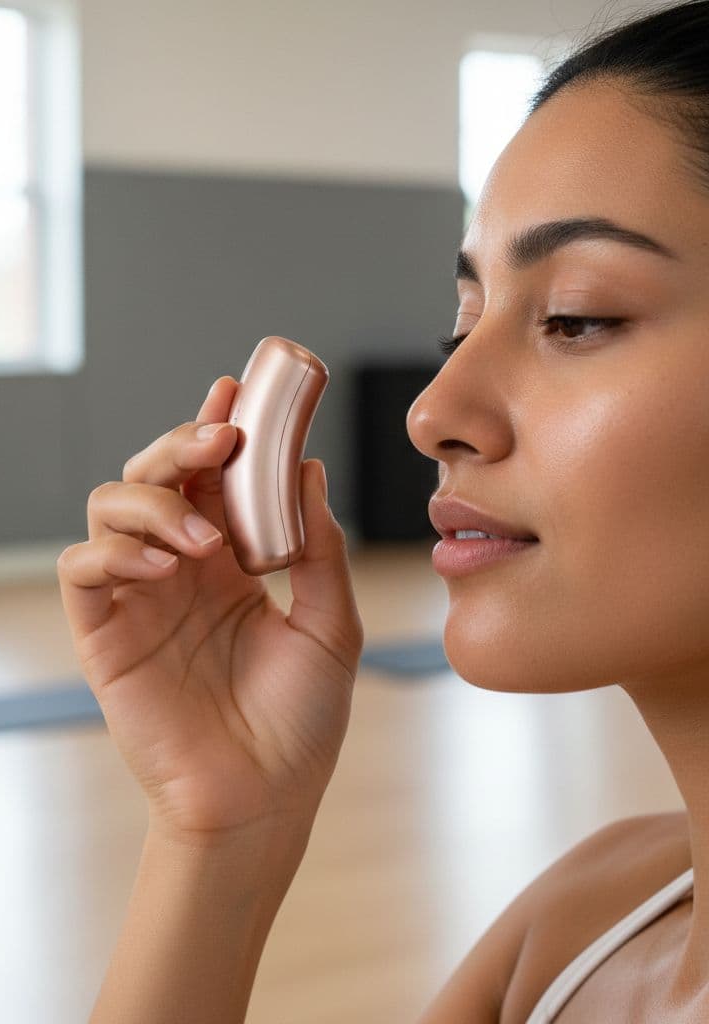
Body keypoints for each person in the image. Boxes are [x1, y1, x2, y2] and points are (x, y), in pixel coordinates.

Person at [56, 1, 709, 1019]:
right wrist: (220, 830)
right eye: (465, 319)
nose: (431, 412)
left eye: (577, 316)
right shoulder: (575, 931)